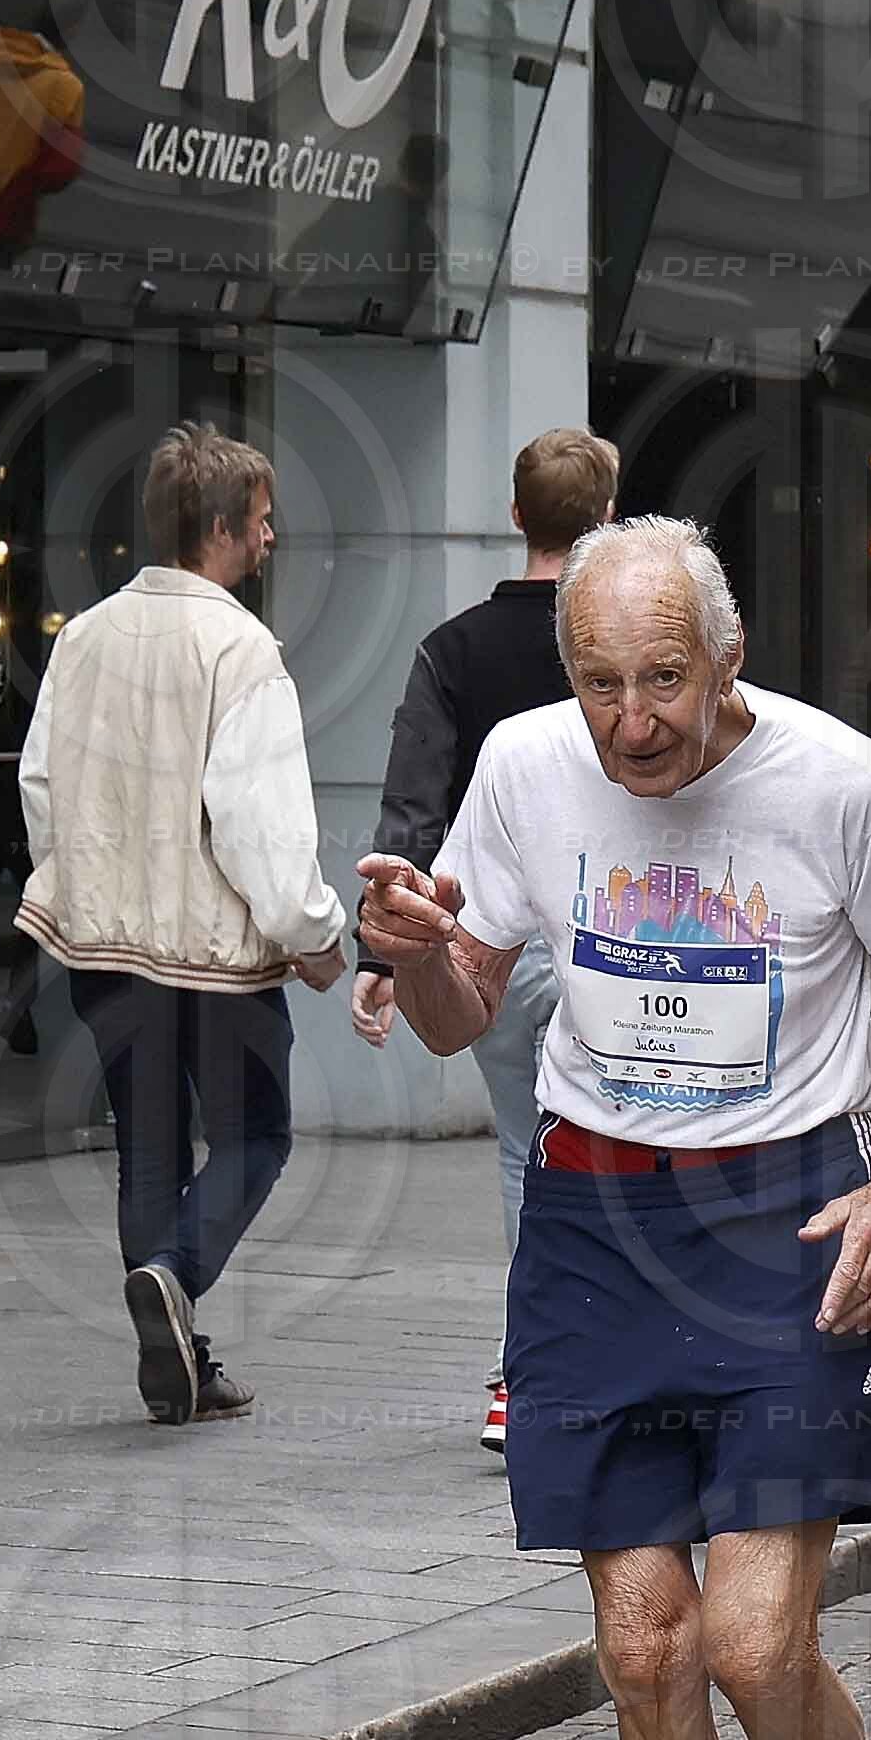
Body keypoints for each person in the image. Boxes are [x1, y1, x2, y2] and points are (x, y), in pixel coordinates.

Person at [359, 515, 871, 1740]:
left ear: (728, 658)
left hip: (782, 1225)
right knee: (642, 1650)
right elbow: (460, 1011)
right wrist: (415, 954)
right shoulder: (522, 765)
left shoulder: (839, 784)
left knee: (754, 1645)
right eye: (600, 684)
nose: (632, 723)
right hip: (593, 1230)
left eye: (664, 682)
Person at [16, 424, 349, 1425]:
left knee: (148, 1148)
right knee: (257, 1136)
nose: (271, 537)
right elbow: (259, 824)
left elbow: (41, 785)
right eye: (261, 521)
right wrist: (314, 934)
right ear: (219, 528)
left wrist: (76, 879)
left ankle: (178, 1356)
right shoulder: (240, 649)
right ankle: (177, 1272)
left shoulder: (83, 637)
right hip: (212, 957)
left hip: (103, 945)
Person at [362, 426, 624, 1456]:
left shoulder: (452, 649)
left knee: (529, 1152)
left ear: (517, 515)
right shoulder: (621, 647)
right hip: (618, 929)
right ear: (607, 518)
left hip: (495, 942)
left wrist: (386, 957)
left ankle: (528, 1374)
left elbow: (412, 807)